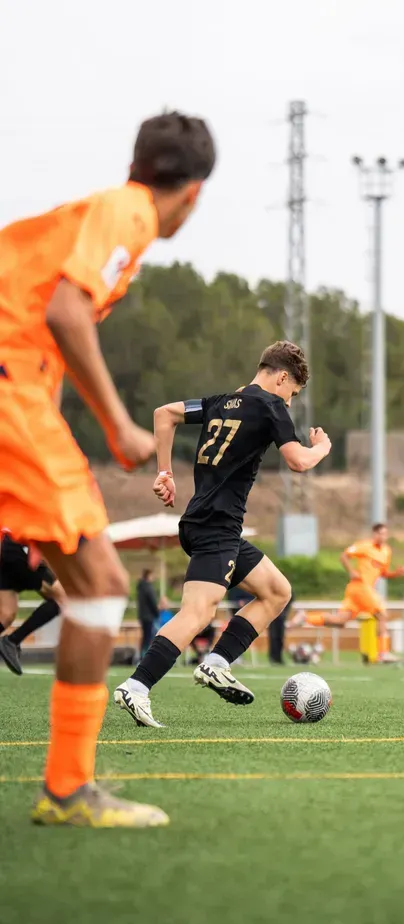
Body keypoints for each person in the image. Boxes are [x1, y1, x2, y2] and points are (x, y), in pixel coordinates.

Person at [0, 110, 216, 827]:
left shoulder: (95, 211)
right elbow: (66, 312)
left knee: (92, 580)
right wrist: (119, 424)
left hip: (20, 389)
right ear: (193, 193)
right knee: (100, 584)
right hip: (9, 390)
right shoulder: (128, 215)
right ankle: (67, 790)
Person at [114, 341, 331, 727]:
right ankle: (137, 685)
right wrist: (322, 448)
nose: (291, 402)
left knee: (278, 591)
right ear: (282, 377)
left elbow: (164, 414)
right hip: (217, 526)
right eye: (293, 392)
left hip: (209, 523)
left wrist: (164, 472)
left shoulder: (220, 402)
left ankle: (216, 663)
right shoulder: (271, 405)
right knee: (198, 613)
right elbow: (298, 461)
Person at [294, 524, 404, 662]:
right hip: (360, 587)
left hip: (361, 591)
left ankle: (306, 617)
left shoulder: (386, 551)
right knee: (382, 614)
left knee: (341, 621)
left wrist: (396, 573)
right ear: (374, 534)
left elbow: (383, 573)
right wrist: (351, 571)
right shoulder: (364, 546)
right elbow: (344, 556)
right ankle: (383, 653)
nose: (383, 537)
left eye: (385, 534)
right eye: (380, 534)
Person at [0, 533, 66, 675]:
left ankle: (12, 641)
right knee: (62, 599)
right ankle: (12, 640)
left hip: (8, 546)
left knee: (6, 615)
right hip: (24, 547)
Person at [136, 568, 159, 658]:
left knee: (145, 637)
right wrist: (156, 613)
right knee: (148, 637)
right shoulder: (148, 587)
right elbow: (152, 602)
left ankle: (142, 656)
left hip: (142, 616)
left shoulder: (140, 587)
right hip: (149, 616)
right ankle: (145, 657)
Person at [268, 591, 294, 665]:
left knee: (280, 637)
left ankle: (279, 657)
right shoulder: (273, 589)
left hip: (281, 617)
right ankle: (273, 657)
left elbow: (291, 598)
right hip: (273, 617)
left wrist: (285, 612)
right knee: (273, 637)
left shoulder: (287, 588)